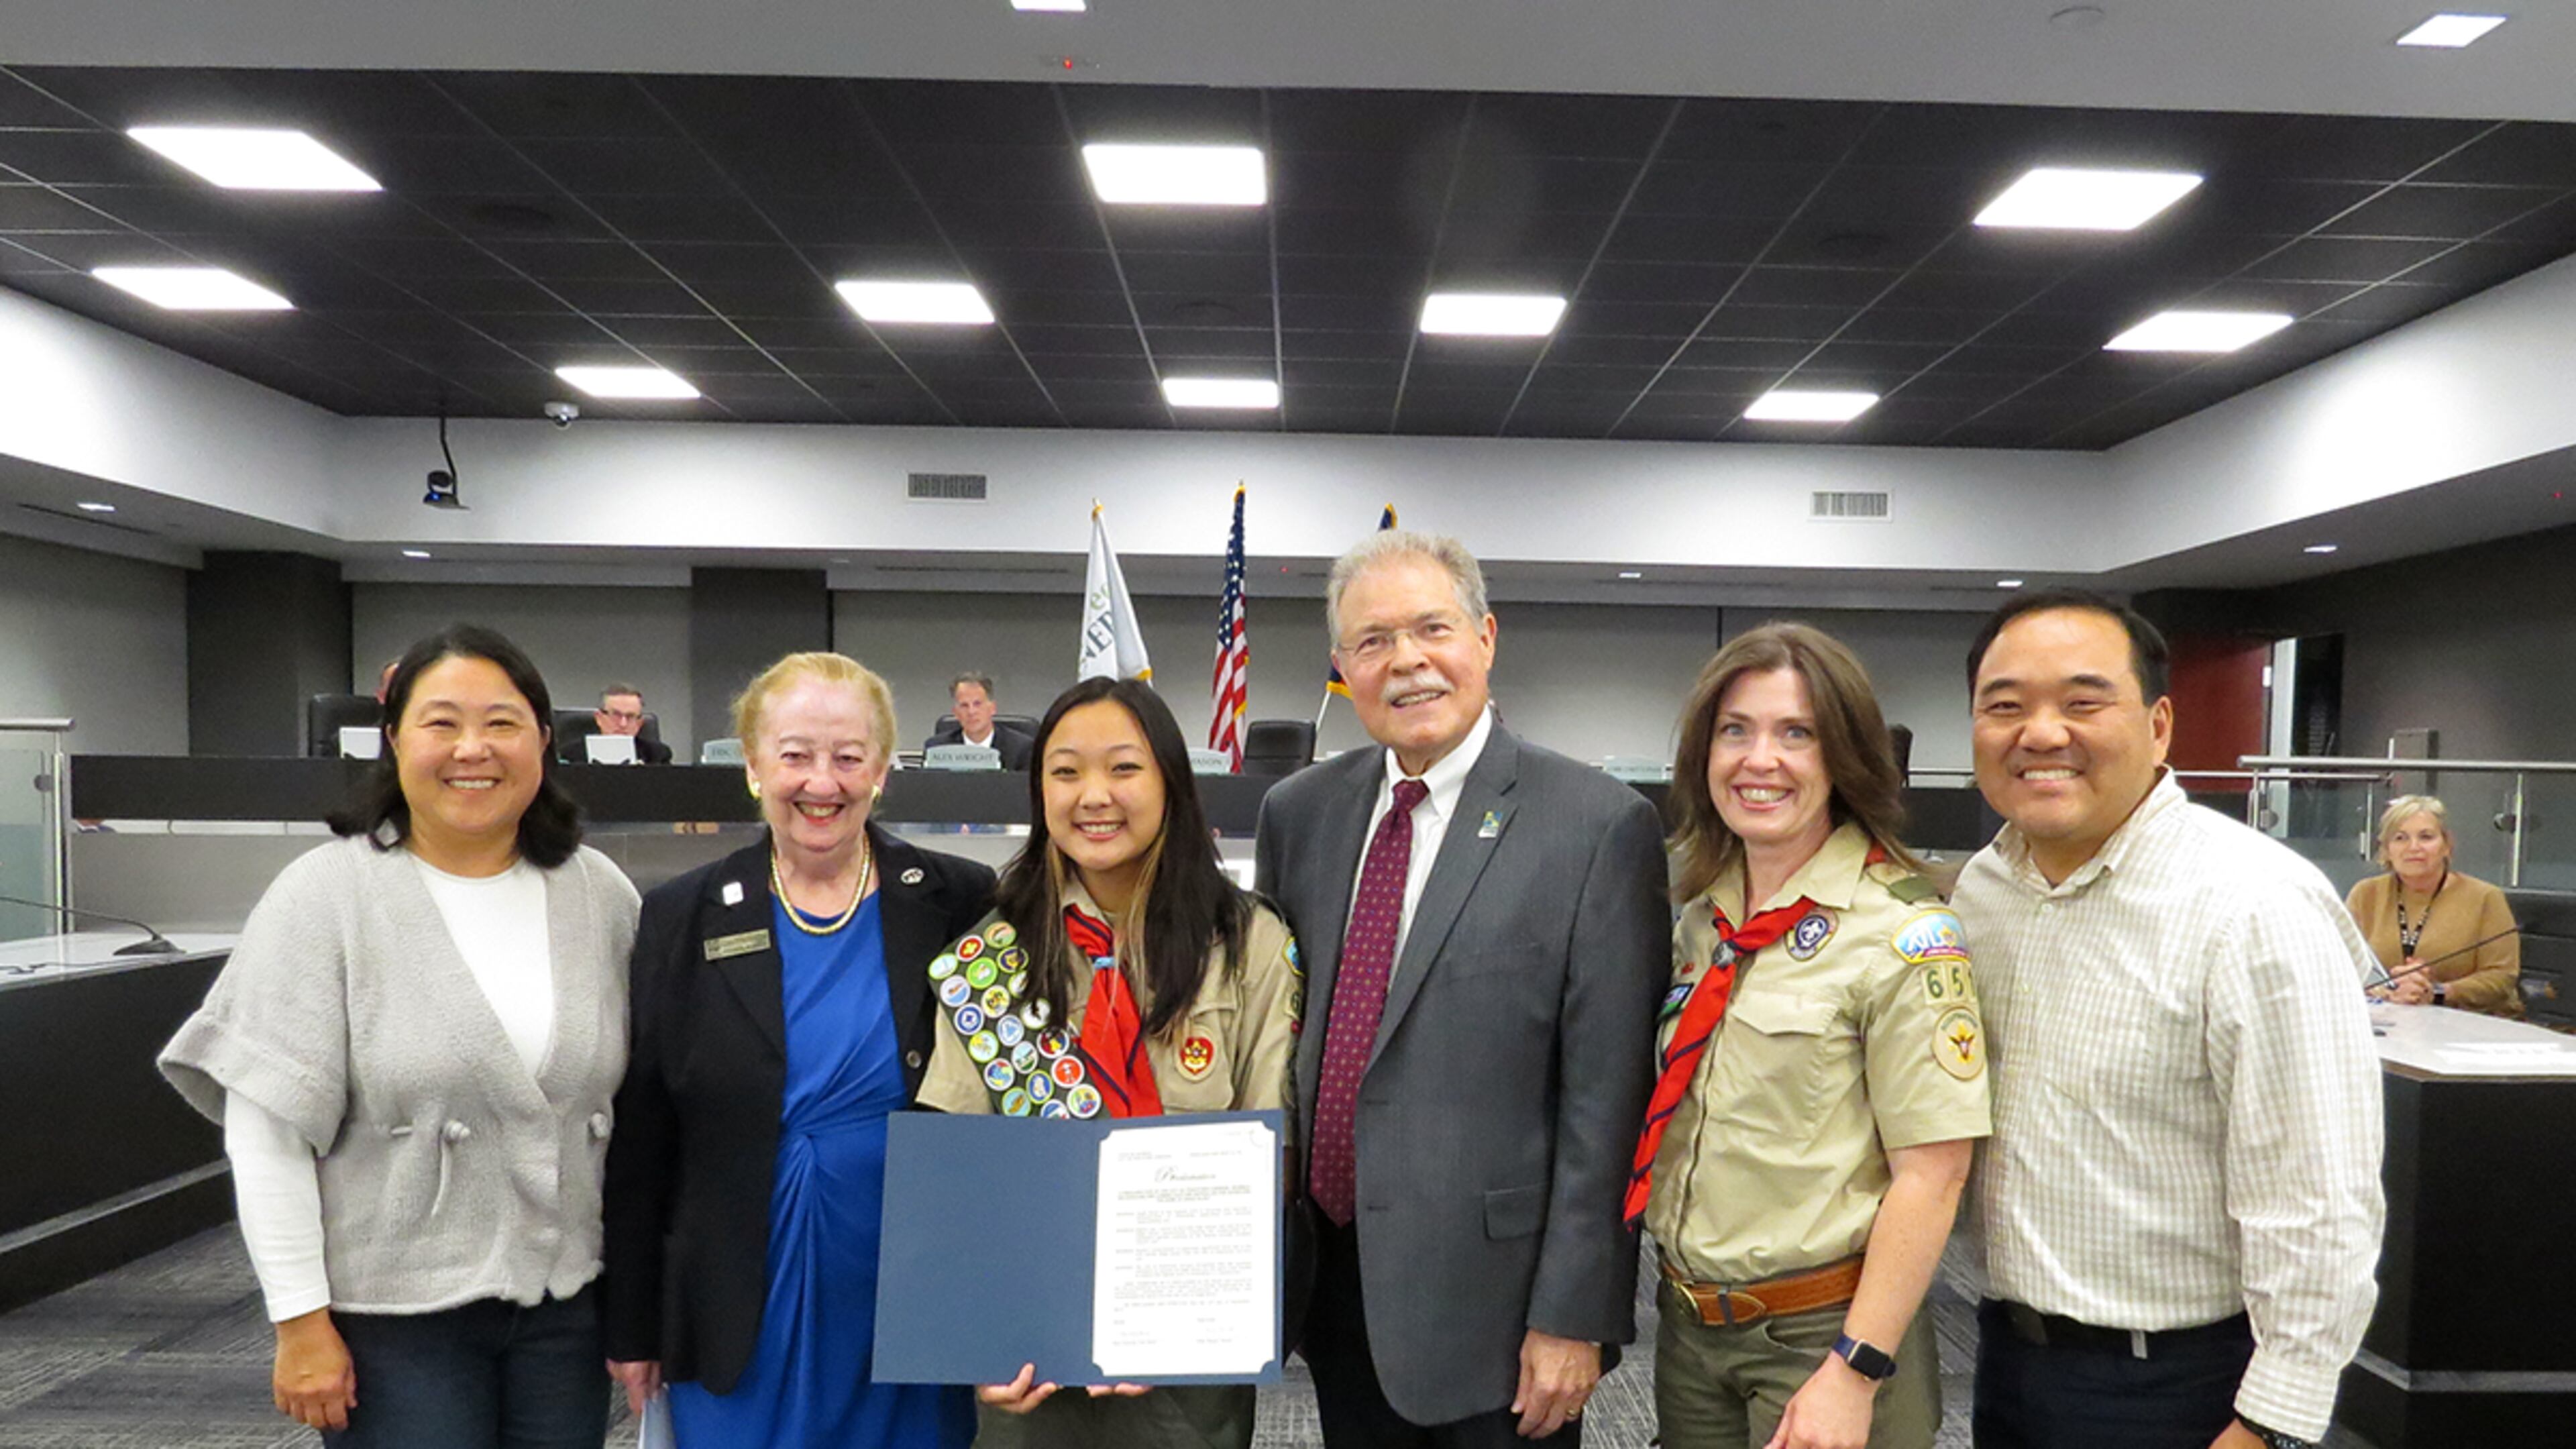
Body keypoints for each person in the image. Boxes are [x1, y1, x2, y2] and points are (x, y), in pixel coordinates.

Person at [160, 625, 641, 1448]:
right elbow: (268, 1130)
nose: (472, 750)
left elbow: (637, 1108)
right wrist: (298, 1321)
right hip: (393, 1320)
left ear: (542, 743)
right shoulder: (325, 896)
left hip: (566, 1310)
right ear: (394, 740)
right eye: (441, 723)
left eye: (501, 723)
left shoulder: (598, 894)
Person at [1253, 529, 1667, 1446]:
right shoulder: (1300, 814)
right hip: (1335, 1281)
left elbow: (1609, 1104)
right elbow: (1277, 1035)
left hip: (1503, 1310)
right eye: (1372, 641)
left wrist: (1577, 1314)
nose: (1406, 661)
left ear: (1485, 637)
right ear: (1340, 668)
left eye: (1431, 629)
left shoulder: (1597, 828)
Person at [1950, 589, 2384, 1449]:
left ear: (2158, 725)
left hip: (2183, 1388)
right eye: (2005, 706)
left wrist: (2270, 1424)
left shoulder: (2255, 903)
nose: (2039, 733)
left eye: (2082, 702)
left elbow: (2321, 1198)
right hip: (2004, 1359)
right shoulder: (1983, 890)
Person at [600, 651, 988, 1448]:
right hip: (739, 1290)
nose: (824, 782)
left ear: (881, 769)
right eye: (796, 755)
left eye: (849, 758)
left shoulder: (961, 900)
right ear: (752, 765)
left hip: (904, 1286)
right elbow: (643, 1138)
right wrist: (634, 1324)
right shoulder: (681, 915)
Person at [923, 676, 1301, 1449]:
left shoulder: (1251, 943)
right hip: (1029, 1353)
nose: (1094, 795)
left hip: (1188, 1352)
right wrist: (981, 1341)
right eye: (1065, 772)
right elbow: (961, 1168)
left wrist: (1173, 1315)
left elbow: (1272, 1156)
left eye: (1124, 768)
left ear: (1171, 781)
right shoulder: (990, 955)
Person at [1640, 624, 1990, 1449]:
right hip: (1690, 1329)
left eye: (1797, 733)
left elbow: (1934, 1178)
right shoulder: (1701, 921)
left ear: (1846, 757)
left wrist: (1854, 1368)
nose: (1760, 759)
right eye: (1736, 731)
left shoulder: (1903, 932)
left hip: (1824, 1333)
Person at [2349, 795, 2522, 1017]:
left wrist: (2438, 992)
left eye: (2426, 837)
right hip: (2387, 1018)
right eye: (2400, 838)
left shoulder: (2485, 897)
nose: (2414, 847)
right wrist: (2385, 991)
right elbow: (2342, 966)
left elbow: (2502, 978)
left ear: (2447, 845)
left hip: (2470, 1025)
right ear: (2386, 850)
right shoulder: (2366, 894)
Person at [924, 671, 1034, 770]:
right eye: (964, 705)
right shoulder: (937, 748)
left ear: (993, 708)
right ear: (956, 713)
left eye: (977, 704)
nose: (971, 712)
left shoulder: (1021, 749)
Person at [561, 685, 672, 765]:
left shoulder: (657, 757)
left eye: (630, 717)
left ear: (640, 723)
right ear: (599, 718)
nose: (623, 724)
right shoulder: (571, 756)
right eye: (616, 715)